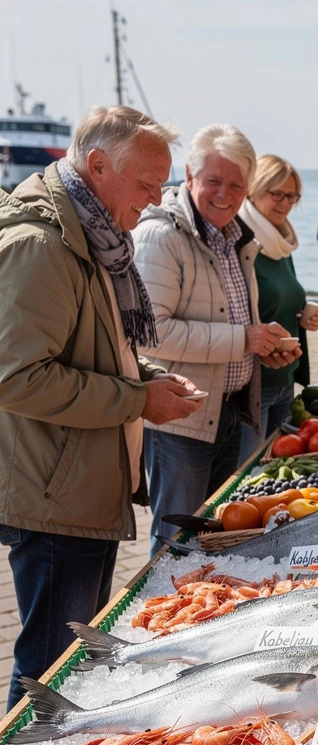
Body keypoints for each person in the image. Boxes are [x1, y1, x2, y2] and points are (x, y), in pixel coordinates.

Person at [0, 105, 201, 711]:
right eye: (147, 182)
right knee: (50, 669)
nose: (158, 196)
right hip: (55, 495)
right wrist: (138, 399)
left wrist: (148, 376)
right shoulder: (43, 246)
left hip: (78, 485)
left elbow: (92, 347)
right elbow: (17, 378)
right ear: (97, 166)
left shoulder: (93, 235)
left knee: (68, 662)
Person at [133, 124, 297, 554]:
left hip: (230, 412)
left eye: (236, 185)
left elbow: (233, 319)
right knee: (175, 544)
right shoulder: (162, 236)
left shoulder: (235, 236)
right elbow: (150, 333)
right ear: (189, 176)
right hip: (181, 418)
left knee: (214, 536)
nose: (224, 194)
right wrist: (245, 339)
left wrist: (263, 348)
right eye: (213, 181)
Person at [238, 155, 318, 454]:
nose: (286, 203)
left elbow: (282, 296)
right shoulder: (242, 242)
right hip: (253, 384)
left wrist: (303, 316)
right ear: (253, 190)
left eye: (292, 196)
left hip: (285, 379)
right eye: (277, 194)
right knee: (250, 469)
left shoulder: (280, 243)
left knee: (277, 465)